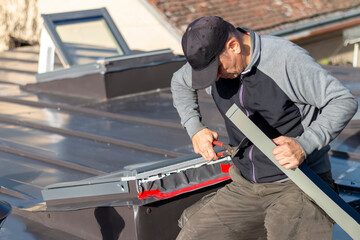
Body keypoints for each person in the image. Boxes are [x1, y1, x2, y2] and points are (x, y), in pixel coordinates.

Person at [171, 16, 358, 240]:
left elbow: (342, 101)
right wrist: (195, 127)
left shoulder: (285, 60)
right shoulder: (215, 64)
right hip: (246, 184)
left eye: (218, 68)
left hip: (298, 183)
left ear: (233, 45)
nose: (216, 77)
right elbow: (179, 81)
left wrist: (303, 144)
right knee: (192, 236)